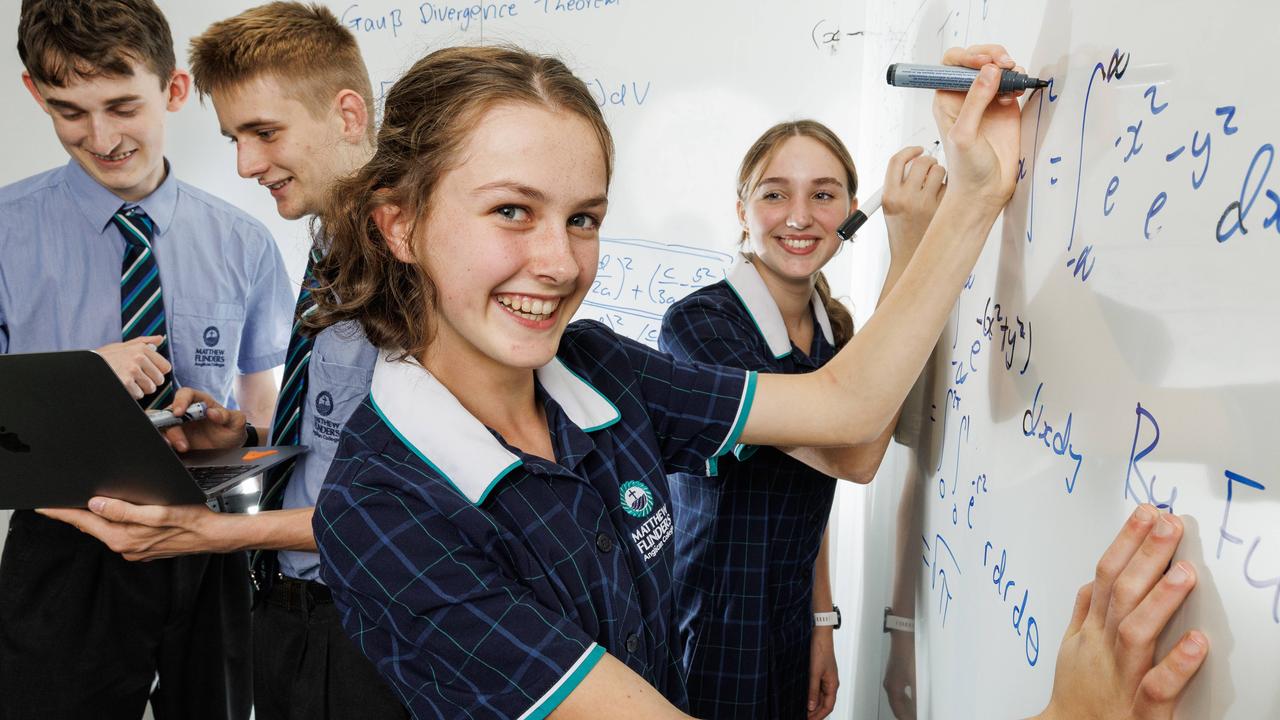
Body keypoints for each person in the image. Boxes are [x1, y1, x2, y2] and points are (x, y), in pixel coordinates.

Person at [301, 40, 1207, 719]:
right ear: (399, 225)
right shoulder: (384, 509)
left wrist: (975, 194)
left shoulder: (594, 366)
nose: (558, 261)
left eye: (583, 219)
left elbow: (849, 409)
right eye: (511, 211)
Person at [37, 4, 402, 718]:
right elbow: (337, 447)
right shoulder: (332, 247)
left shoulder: (410, 259)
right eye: (236, 138)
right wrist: (238, 444)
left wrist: (215, 532)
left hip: (364, 624)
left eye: (264, 133)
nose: (246, 164)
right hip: (293, 611)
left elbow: (412, 509)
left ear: (348, 114)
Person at [0, 1, 293, 717]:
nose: (101, 138)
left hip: (207, 542)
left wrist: (239, 444)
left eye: (122, 106)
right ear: (35, 95)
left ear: (174, 91)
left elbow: (264, 412)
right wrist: (83, 379)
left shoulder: (245, 242)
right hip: (64, 546)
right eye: (69, 111)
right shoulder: (4, 233)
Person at [657, 121, 943, 719]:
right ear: (742, 210)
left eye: (823, 194)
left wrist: (821, 624)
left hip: (789, 620)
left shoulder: (833, 332)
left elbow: (811, 486)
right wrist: (910, 244)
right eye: (775, 193)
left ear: (849, 212)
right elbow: (852, 453)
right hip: (713, 624)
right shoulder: (700, 329)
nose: (800, 215)